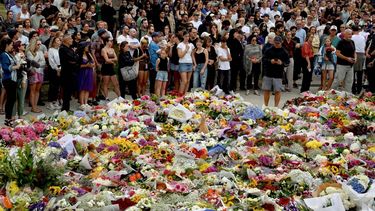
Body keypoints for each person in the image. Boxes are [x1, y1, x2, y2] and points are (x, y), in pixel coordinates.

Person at [262, 36, 289, 107]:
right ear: (273, 42)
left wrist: (281, 63)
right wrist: (270, 61)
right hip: (268, 73)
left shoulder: (284, 51)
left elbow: (287, 62)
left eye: (278, 43)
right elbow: (263, 60)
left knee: (278, 91)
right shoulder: (268, 50)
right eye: (275, 43)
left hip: (278, 74)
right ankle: (265, 106)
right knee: (266, 90)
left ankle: (276, 107)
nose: (277, 44)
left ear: (281, 42)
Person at [0, 38, 20, 126]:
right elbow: (5, 68)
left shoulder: (8, 54)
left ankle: (9, 118)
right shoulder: (4, 55)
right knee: (10, 100)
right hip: (8, 79)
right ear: (7, 45)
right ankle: (8, 119)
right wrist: (17, 66)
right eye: (11, 45)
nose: (12, 46)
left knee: (12, 99)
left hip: (12, 79)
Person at [59, 34, 80, 111]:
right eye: (70, 39)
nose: (72, 40)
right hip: (66, 73)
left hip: (72, 73)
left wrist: (74, 59)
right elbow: (71, 59)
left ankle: (67, 108)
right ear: (66, 40)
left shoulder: (70, 49)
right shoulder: (62, 49)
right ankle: (64, 109)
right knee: (66, 92)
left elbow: (76, 58)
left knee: (69, 92)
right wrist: (74, 59)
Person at [332, 29, 356, 93]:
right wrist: (347, 58)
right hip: (341, 64)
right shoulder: (341, 42)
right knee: (338, 80)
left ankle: (347, 95)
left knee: (349, 81)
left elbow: (354, 52)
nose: (350, 36)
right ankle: (331, 93)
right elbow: (337, 53)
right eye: (349, 34)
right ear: (344, 34)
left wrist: (355, 58)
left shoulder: (352, 42)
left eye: (351, 34)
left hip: (350, 65)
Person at [26, 38, 46, 113]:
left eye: (40, 44)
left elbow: (44, 63)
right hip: (33, 72)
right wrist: (38, 62)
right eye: (38, 44)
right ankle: (33, 107)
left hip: (40, 72)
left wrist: (37, 63)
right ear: (34, 44)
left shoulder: (40, 51)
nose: (39, 46)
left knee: (38, 90)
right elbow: (33, 62)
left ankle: (35, 106)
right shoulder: (29, 52)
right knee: (32, 90)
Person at [77, 41, 95, 109]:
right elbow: (78, 66)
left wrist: (92, 65)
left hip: (89, 72)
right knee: (82, 88)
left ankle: (86, 102)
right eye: (86, 46)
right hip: (82, 72)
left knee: (87, 88)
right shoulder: (79, 55)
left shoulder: (88, 54)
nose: (88, 48)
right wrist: (86, 65)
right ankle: (82, 103)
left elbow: (93, 62)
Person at [177, 31, 194, 95]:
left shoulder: (191, 45)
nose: (187, 38)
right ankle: (180, 94)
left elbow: (192, 55)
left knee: (188, 81)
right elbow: (180, 55)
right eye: (186, 36)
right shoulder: (180, 45)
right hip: (183, 63)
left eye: (188, 36)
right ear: (183, 37)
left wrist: (194, 64)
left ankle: (185, 95)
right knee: (184, 81)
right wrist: (186, 49)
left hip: (190, 63)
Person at [47, 37, 62, 110]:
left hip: (60, 68)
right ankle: (50, 102)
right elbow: (51, 61)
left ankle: (55, 101)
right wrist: (57, 69)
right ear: (54, 42)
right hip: (53, 69)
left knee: (58, 86)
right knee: (52, 86)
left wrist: (60, 69)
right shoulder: (51, 50)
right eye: (58, 40)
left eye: (59, 40)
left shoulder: (60, 49)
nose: (59, 41)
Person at [351, 26, 366, 94]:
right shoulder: (362, 37)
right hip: (362, 54)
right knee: (360, 73)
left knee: (353, 73)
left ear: (352, 30)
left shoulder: (352, 37)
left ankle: (354, 89)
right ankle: (359, 89)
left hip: (354, 54)